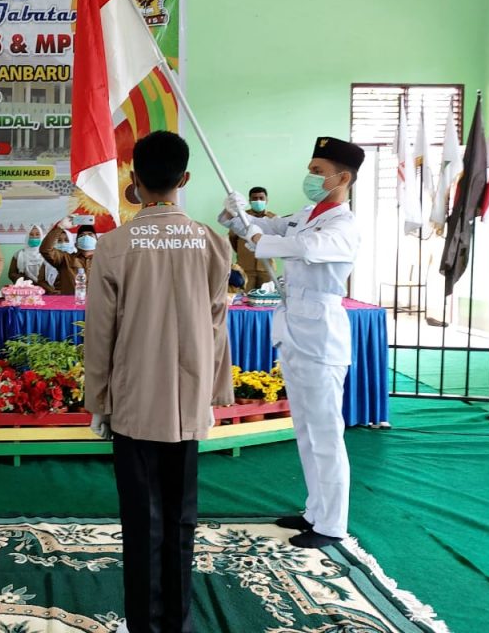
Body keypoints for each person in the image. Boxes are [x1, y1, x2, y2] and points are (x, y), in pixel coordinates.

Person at [85, 131, 232, 633]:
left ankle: (145, 626)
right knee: (181, 516)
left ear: (134, 179)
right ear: (184, 179)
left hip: (133, 402)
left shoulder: (114, 245)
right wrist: (212, 395)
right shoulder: (211, 242)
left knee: (141, 520)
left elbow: (100, 333)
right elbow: (217, 325)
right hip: (189, 402)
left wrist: (99, 401)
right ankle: (178, 623)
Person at [219, 136, 364, 550]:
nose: (310, 177)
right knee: (305, 429)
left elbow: (299, 247)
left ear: (343, 178)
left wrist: (256, 235)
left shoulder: (343, 225)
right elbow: (264, 229)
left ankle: (332, 524)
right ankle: (314, 510)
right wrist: (237, 213)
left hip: (321, 336)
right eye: (311, 169)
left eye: (318, 171)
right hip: (294, 329)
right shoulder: (306, 214)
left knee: (325, 433)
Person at [228, 186, 277, 290]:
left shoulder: (273, 218)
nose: (258, 201)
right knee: (245, 297)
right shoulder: (241, 217)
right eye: (254, 198)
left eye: (261, 198)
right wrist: (243, 252)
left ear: (267, 200)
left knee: (267, 297)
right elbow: (232, 238)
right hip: (245, 267)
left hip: (267, 268)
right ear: (249, 200)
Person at [41, 219, 96, 294]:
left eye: (90, 235)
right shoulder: (65, 259)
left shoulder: (104, 261)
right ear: (76, 244)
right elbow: (45, 250)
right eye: (82, 235)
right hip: (70, 301)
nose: (86, 237)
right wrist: (60, 227)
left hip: (97, 301)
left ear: (97, 242)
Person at [8, 225, 58, 293]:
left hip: (48, 290)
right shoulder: (19, 254)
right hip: (27, 290)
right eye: (31, 235)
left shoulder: (48, 254)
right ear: (27, 237)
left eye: (37, 234)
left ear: (41, 236)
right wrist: (27, 281)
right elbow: (12, 274)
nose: (34, 237)